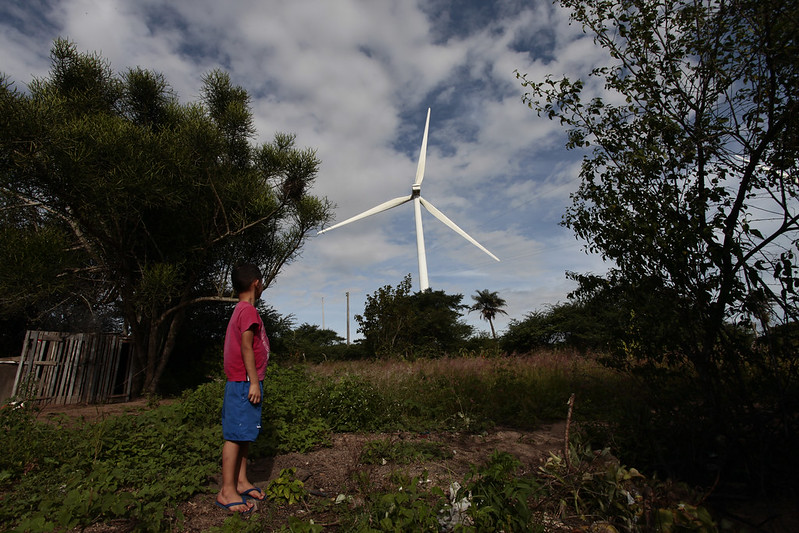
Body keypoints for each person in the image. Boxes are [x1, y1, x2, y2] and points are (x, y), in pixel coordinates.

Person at [215, 264, 270, 513]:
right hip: (243, 383)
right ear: (256, 283)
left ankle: (241, 480)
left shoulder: (242, 310)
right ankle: (227, 491)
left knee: (244, 433)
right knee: (234, 436)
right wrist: (254, 381)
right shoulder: (247, 311)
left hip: (244, 381)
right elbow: (246, 348)